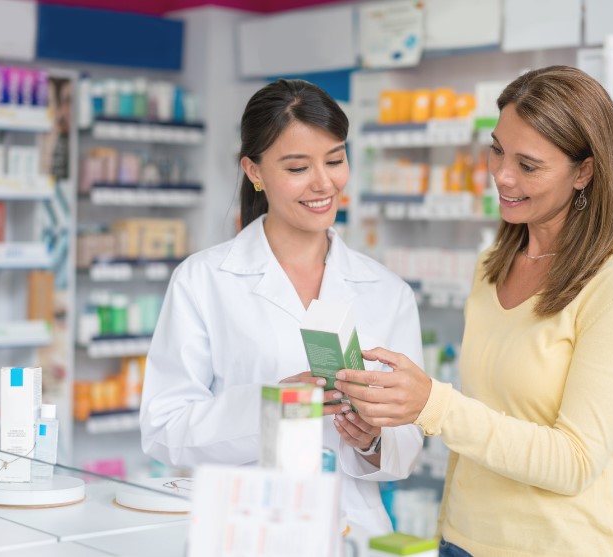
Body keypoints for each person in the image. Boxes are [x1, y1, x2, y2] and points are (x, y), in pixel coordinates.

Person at [334, 66, 613, 556]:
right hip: (463, 539)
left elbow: (574, 461)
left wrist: (434, 405)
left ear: (585, 171)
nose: (502, 176)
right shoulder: (494, 264)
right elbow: (488, 423)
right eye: (496, 150)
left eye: (528, 166)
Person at [140, 79, 424, 536]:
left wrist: (372, 440)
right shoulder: (204, 279)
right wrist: (274, 406)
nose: (324, 183)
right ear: (254, 171)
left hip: (352, 530)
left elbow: (407, 444)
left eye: (335, 159)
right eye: (297, 168)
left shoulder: (387, 292)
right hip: (244, 527)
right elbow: (163, 430)